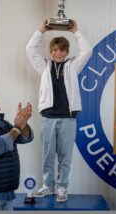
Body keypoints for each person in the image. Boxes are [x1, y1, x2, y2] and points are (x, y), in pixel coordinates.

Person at [26, 20, 92, 202]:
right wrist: (42, 30)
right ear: (51, 51)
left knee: (65, 155)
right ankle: (48, 185)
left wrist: (76, 31)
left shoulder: (73, 66)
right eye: (55, 50)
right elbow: (30, 49)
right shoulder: (44, 66)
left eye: (62, 50)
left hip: (68, 118)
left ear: (67, 52)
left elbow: (87, 51)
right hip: (48, 117)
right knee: (48, 154)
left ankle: (62, 187)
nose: (58, 53)